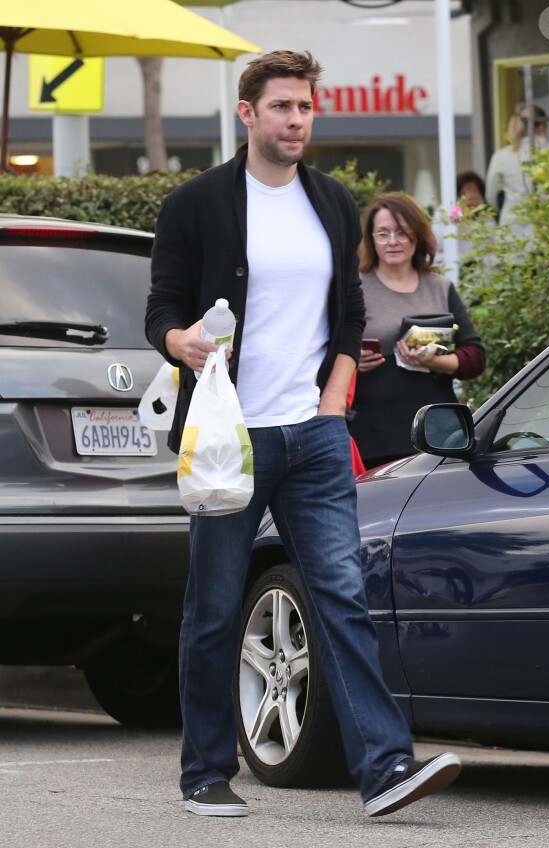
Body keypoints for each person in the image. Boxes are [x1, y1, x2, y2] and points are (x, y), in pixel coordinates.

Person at [145, 50, 461, 819]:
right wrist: (178, 342)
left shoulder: (330, 200)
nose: (297, 120)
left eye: (305, 108)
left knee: (340, 597)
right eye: (282, 106)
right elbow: (160, 309)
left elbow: (346, 318)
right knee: (216, 607)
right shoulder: (196, 204)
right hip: (231, 438)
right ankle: (205, 771)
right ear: (248, 114)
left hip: (314, 436)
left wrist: (334, 401)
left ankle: (383, 767)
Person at [350, 192, 486, 469]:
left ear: (418, 235)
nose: (392, 242)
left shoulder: (440, 287)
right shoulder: (355, 288)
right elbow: (325, 352)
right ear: (370, 239)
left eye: (402, 232)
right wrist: (351, 360)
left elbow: (475, 357)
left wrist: (434, 361)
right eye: (383, 234)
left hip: (439, 433)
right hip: (374, 436)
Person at [485, 103, 549, 228]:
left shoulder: (502, 156)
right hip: (547, 226)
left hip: (513, 224)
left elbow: (491, 196)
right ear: (542, 127)